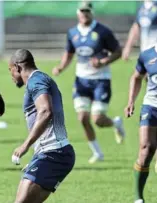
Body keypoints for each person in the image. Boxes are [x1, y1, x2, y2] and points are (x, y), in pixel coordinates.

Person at [52, 1, 125, 164]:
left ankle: (115, 123)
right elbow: (69, 53)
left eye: (87, 11)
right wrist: (61, 67)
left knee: (98, 119)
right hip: (81, 81)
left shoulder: (103, 31)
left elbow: (118, 51)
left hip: (101, 80)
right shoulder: (72, 33)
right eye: (82, 11)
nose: (84, 14)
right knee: (82, 118)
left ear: (92, 12)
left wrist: (104, 62)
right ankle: (97, 153)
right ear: (78, 13)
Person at [9, 49, 75, 203]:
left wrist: (25, 145)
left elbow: (45, 111)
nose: (11, 75)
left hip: (54, 153)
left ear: (17, 67)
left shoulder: (36, 80)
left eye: (10, 70)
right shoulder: (39, 79)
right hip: (48, 152)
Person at [124, 45, 157, 203]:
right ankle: (138, 198)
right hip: (151, 106)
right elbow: (136, 77)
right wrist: (131, 101)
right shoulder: (147, 55)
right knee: (145, 149)